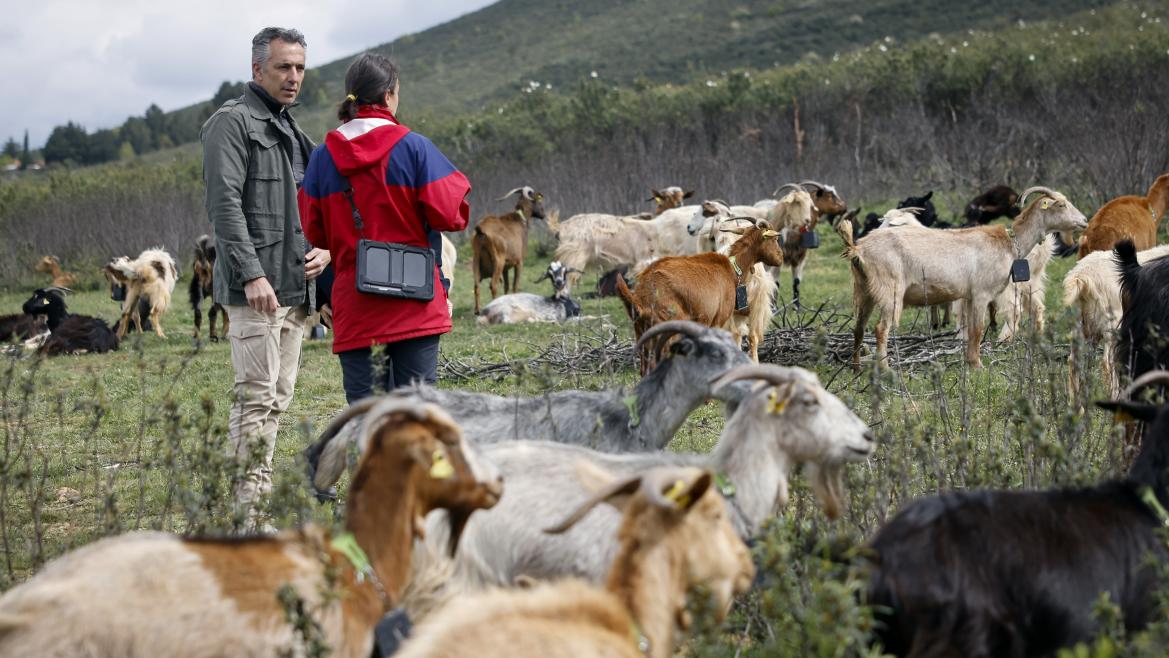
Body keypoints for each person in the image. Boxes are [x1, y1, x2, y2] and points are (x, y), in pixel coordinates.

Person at [201, 26, 330, 525]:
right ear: (257, 69)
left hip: (296, 290)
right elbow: (224, 206)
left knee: (277, 398)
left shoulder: (295, 133)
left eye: (299, 67)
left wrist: (325, 250)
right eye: (283, 67)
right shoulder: (231, 124)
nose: (293, 77)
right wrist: (252, 274)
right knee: (255, 398)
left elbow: (310, 210)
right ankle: (247, 517)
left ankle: (258, 503)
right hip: (255, 290)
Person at [299, 53, 470, 404]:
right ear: (389, 96)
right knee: (416, 417)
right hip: (416, 302)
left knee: (366, 420)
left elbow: (315, 233)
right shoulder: (415, 147)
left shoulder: (321, 158)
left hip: (356, 306)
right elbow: (453, 216)